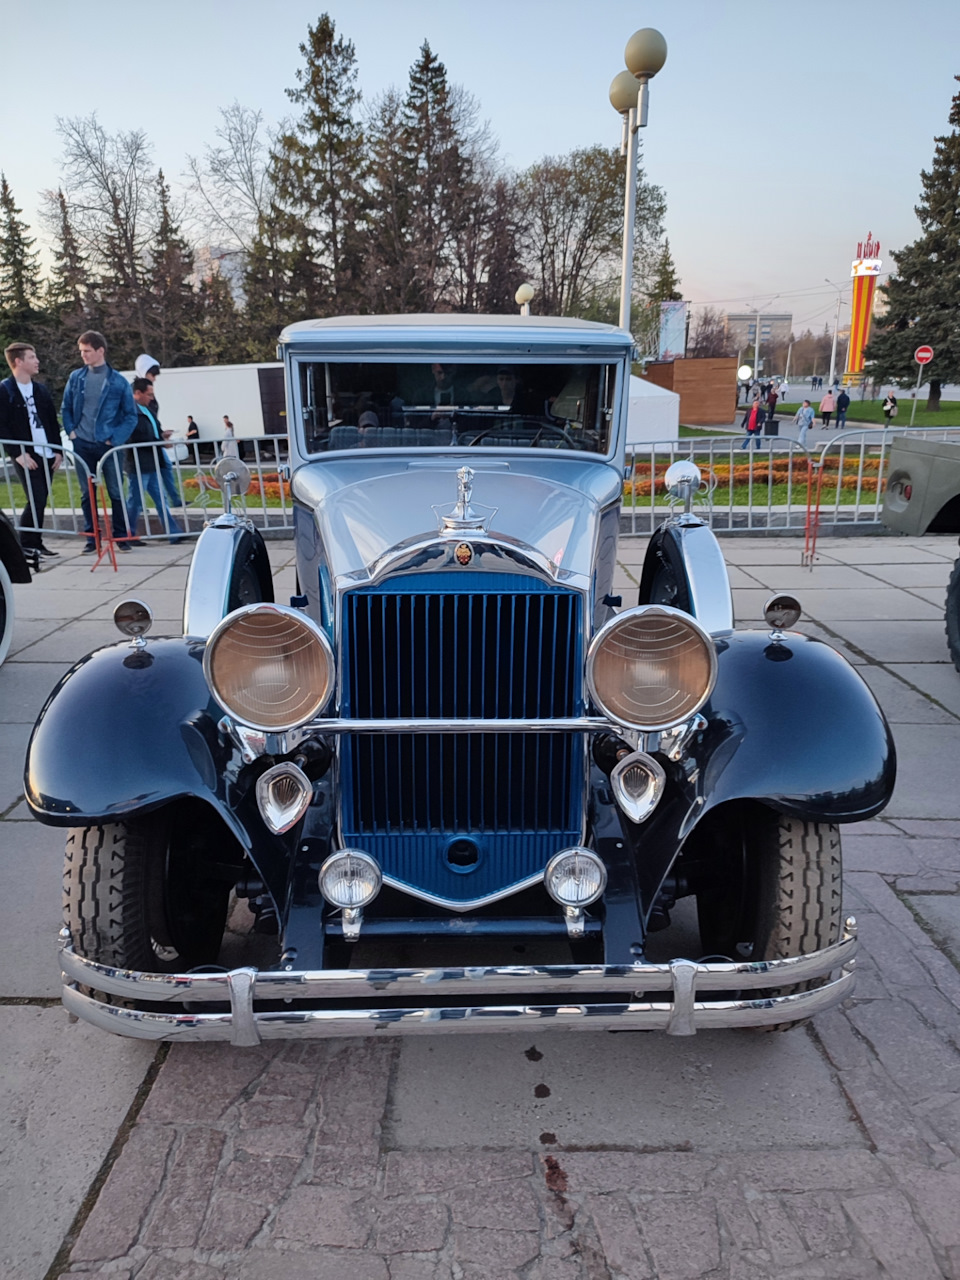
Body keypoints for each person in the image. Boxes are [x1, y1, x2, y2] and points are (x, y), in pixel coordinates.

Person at [60, 330, 138, 551]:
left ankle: (121, 537)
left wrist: (115, 439)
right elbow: (66, 407)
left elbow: (130, 415)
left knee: (115, 491)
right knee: (87, 494)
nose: (83, 355)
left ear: (100, 350)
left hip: (108, 446)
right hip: (82, 443)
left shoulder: (118, 382)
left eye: (87, 351)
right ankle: (92, 538)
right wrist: (71, 432)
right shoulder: (76, 377)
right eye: (81, 351)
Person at [0, 342, 63, 557]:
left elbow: (52, 422)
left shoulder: (40, 390)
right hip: (26, 455)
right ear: (18, 361)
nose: (37, 361)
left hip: (46, 452)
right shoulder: (5, 390)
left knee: (41, 498)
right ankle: (26, 543)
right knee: (36, 497)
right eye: (31, 357)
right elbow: (2, 426)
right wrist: (17, 453)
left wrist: (58, 450)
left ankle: (35, 542)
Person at [125, 378, 184, 545]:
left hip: (151, 462)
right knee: (135, 501)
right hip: (138, 464)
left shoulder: (146, 410)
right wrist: (158, 440)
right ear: (137, 393)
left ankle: (173, 532)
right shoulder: (130, 412)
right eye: (149, 394)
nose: (152, 398)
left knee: (161, 499)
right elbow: (133, 437)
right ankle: (128, 534)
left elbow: (152, 432)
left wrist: (161, 436)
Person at [134, 354, 183, 509]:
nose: (154, 378)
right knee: (143, 478)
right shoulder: (136, 393)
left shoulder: (148, 391)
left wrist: (161, 433)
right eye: (152, 375)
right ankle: (139, 506)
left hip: (154, 440)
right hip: (146, 443)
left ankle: (173, 501)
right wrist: (158, 438)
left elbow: (152, 418)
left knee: (162, 469)